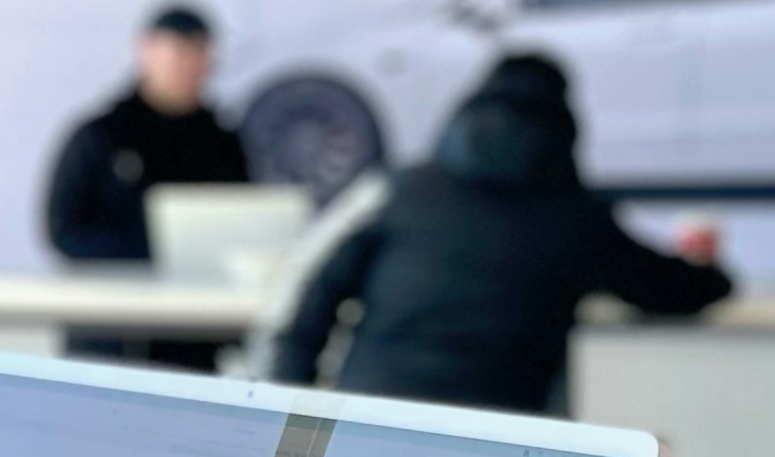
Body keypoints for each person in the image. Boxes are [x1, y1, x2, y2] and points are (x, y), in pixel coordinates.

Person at [270, 47, 730, 413]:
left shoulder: (408, 191)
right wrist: (711, 270)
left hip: (376, 409)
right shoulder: (576, 219)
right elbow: (674, 290)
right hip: (501, 433)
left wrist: (292, 401)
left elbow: (319, 293)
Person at [44, 2, 249, 370]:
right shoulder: (101, 136)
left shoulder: (222, 143)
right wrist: (155, 253)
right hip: (110, 335)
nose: (188, 65)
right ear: (146, 52)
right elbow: (64, 232)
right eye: (178, 51)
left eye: (199, 53)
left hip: (194, 337)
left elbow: (245, 224)